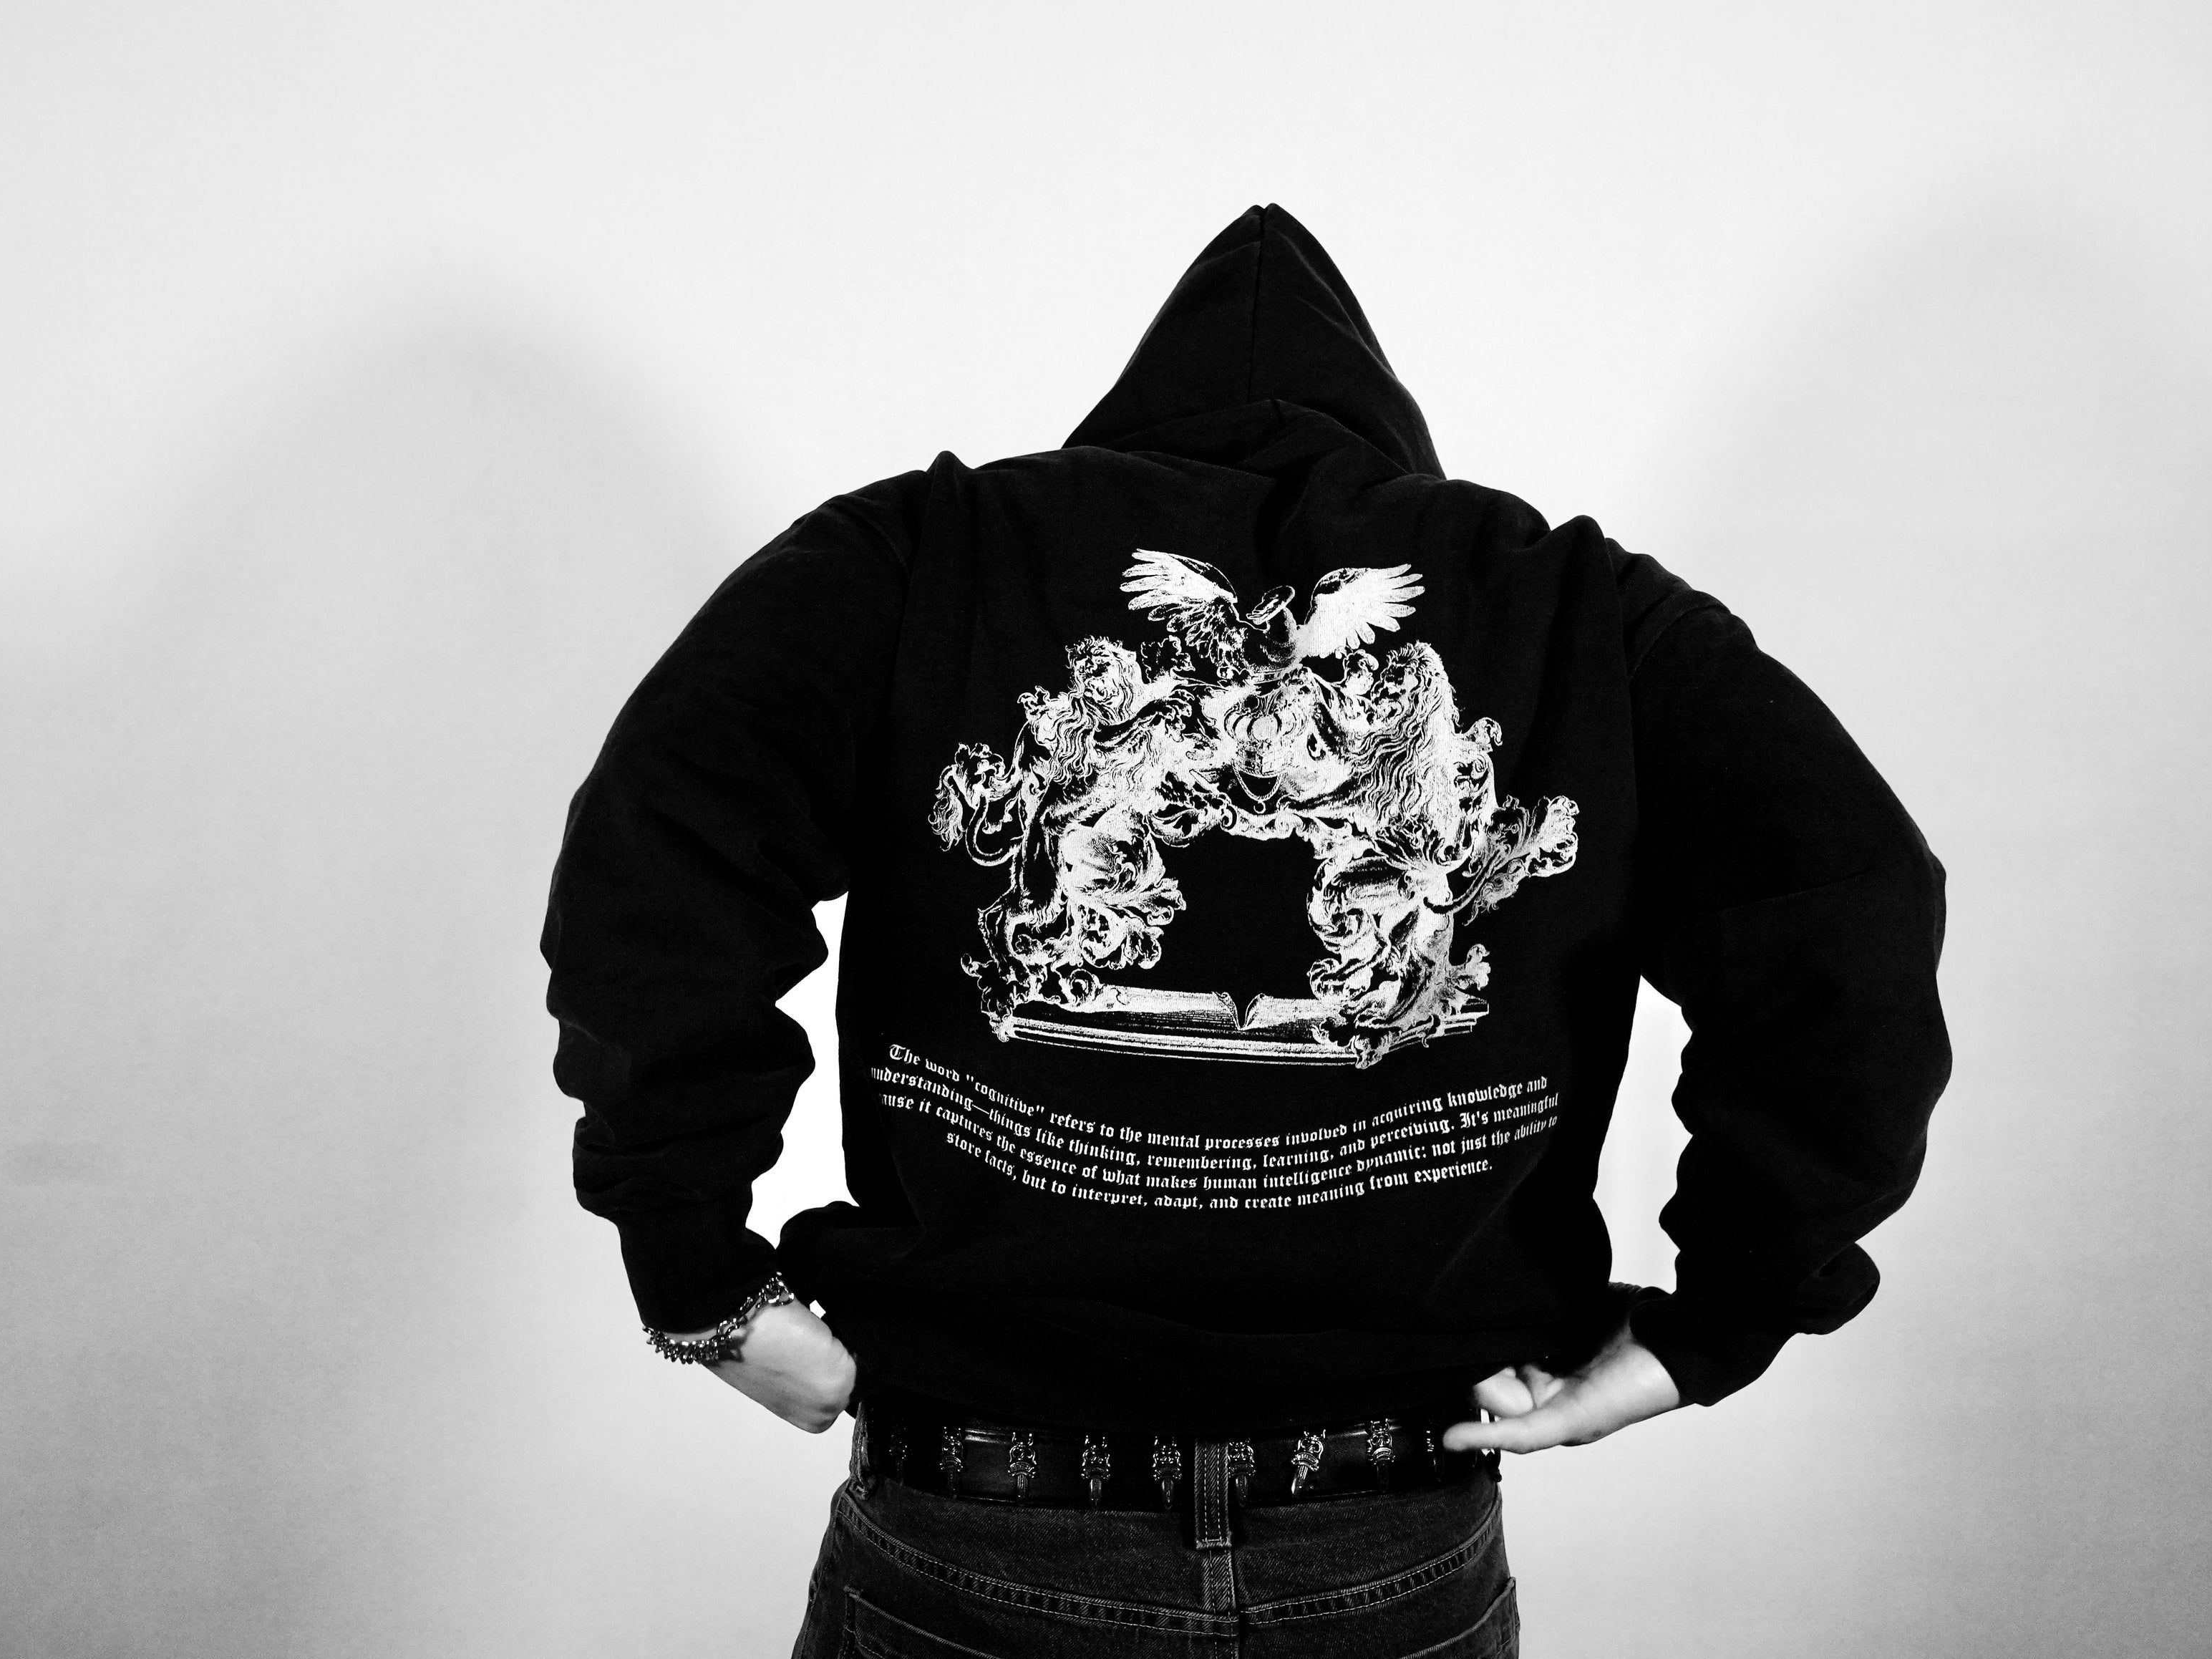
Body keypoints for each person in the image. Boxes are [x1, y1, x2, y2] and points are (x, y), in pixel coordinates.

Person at [540, 204, 1951, 1657]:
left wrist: (700, 1274)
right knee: (1126, 868)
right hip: (1387, 1536)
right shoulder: (1572, 606)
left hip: (980, 1518)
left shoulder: (927, 556)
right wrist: (1715, 1319)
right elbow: (1849, 908)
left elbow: (660, 845)